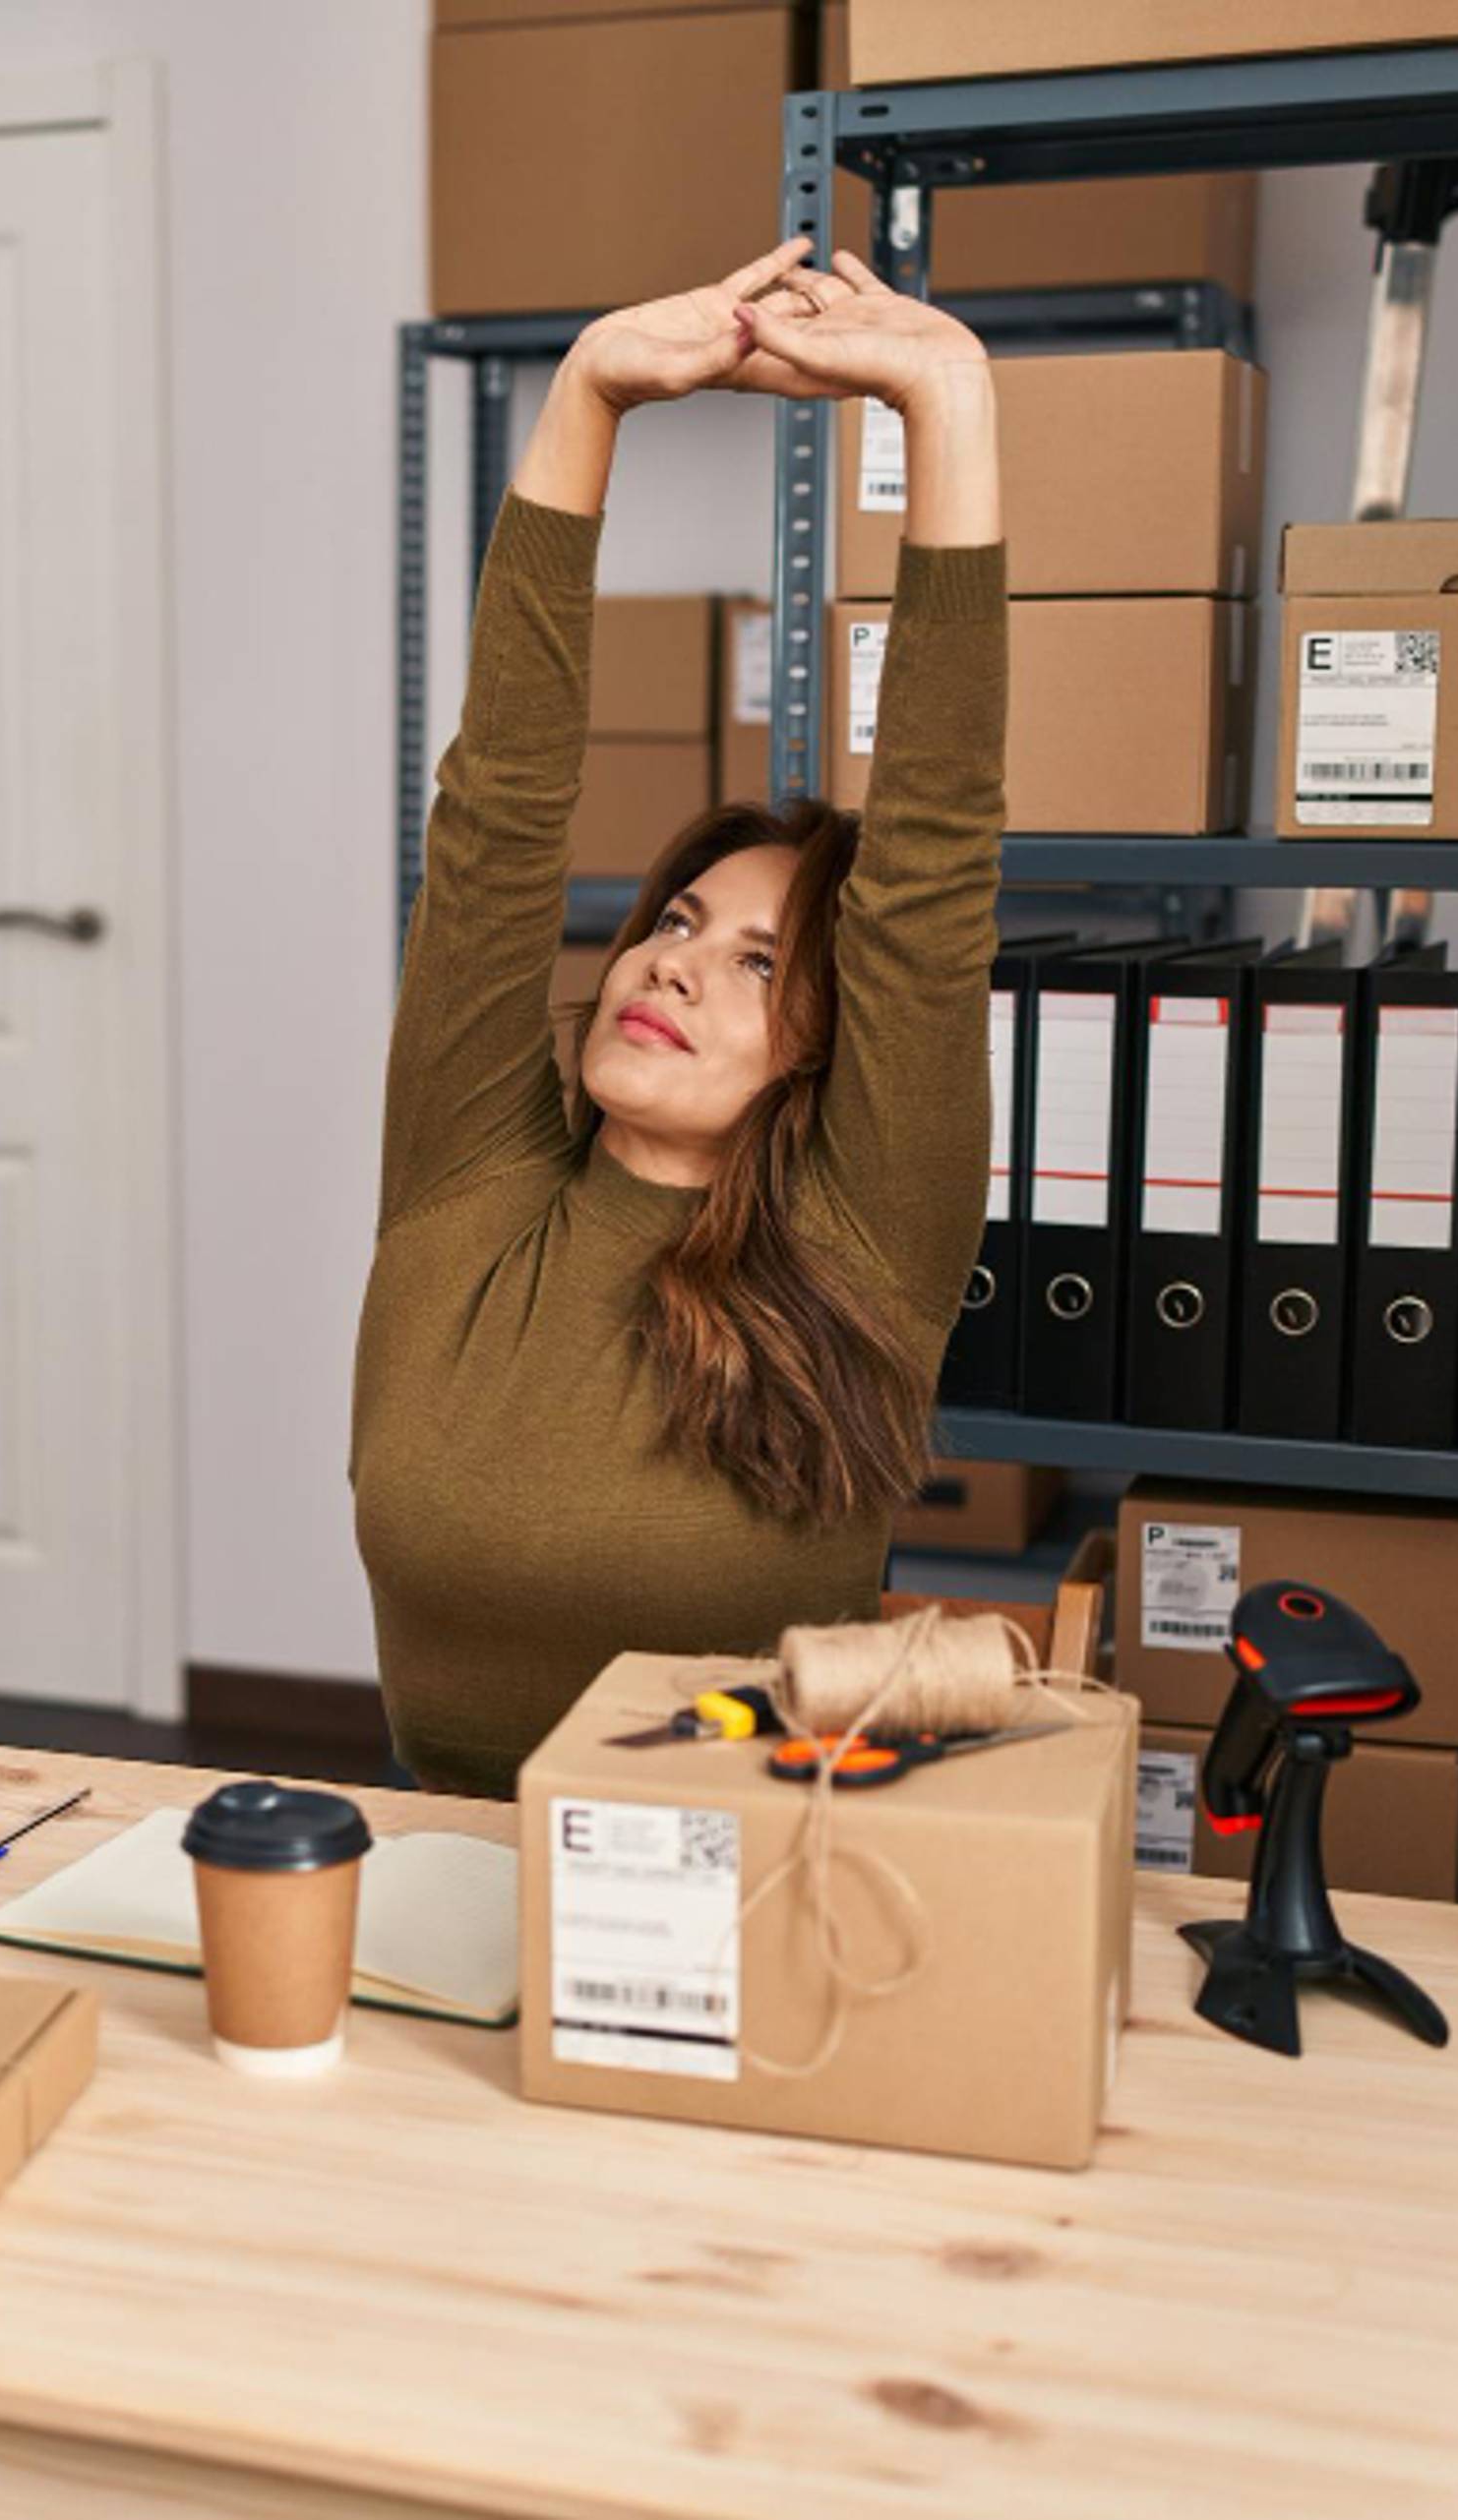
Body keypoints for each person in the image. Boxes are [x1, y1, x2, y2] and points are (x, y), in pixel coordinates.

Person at [350, 238, 1006, 1799]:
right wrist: (586, 396)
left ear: (833, 1053)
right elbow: (495, 820)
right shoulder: (472, 1186)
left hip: (746, 1903)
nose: (675, 965)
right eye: (679, 924)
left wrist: (948, 402)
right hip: (443, 1896)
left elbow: (933, 860)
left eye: (766, 966)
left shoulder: (861, 1246)